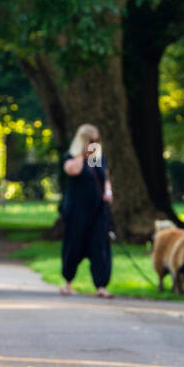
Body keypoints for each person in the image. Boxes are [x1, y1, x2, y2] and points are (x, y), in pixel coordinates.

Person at [59, 123, 114, 298]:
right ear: (84, 140)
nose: (96, 143)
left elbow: (104, 176)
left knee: (100, 247)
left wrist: (108, 192)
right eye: (93, 140)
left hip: (97, 211)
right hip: (77, 212)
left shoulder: (96, 157)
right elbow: (73, 170)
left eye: (97, 140)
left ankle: (101, 285)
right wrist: (81, 154)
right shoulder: (72, 157)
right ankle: (68, 282)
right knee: (73, 246)